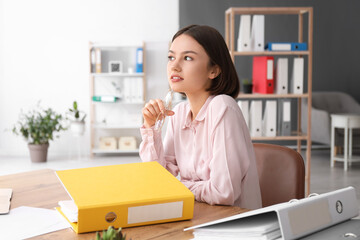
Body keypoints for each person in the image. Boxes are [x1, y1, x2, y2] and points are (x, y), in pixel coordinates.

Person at [139, 25, 262, 210]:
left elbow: (223, 192)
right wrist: (151, 129)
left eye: (187, 58)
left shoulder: (223, 107)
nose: (174, 65)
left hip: (232, 225)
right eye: (171, 57)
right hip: (197, 215)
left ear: (214, 70)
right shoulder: (179, 113)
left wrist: (177, 187)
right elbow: (157, 180)